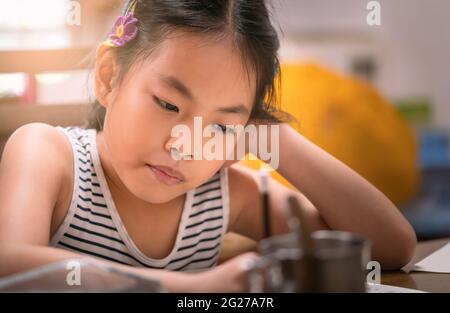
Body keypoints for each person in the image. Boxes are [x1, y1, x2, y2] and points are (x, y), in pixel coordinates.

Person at [0, 0, 416, 292]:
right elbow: (10, 266)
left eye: (220, 126)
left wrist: (278, 140)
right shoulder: (49, 156)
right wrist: (189, 289)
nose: (186, 147)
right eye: (168, 104)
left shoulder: (225, 194)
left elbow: (391, 248)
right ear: (109, 77)